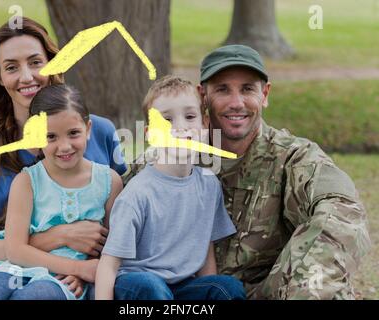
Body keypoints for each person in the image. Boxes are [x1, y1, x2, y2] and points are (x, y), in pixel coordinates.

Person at [125, 45, 371, 300]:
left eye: (247, 89)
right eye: (222, 89)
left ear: (264, 94)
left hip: (269, 293)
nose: (236, 103)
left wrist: (304, 290)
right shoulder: (173, 155)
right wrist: (79, 237)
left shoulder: (293, 157)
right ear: (203, 96)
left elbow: (342, 216)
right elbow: (106, 197)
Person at [0, 17, 126, 299]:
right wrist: (59, 237)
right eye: (11, 67)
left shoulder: (99, 132)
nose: (26, 77)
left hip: (74, 282)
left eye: (36, 62)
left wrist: (82, 268)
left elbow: (119, 230)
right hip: (4, 273)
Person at [95, 75, 246, 300]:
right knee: (152, 288)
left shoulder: (208, 184)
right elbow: (108, 264)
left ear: (204, 124)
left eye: (190, 116)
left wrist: (208, 291)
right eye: (166, 121)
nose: (180, 127)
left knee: (226, 288)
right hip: (136, 285)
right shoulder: (138, 193)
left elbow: (205, 251)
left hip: (181, 288)